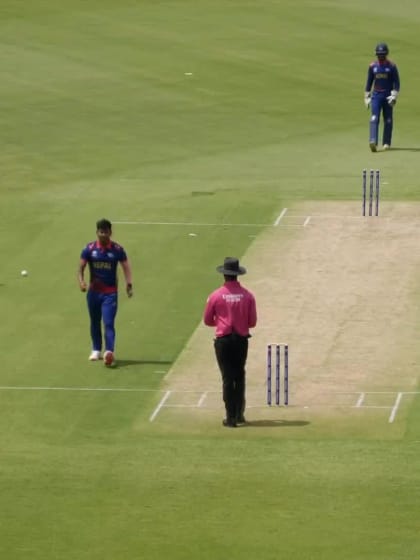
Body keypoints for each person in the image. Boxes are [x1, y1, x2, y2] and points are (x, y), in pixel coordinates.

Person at [203, 257, 257, 428]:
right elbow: (252, 322)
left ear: (224, 275)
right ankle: (240, 414)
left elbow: (207, 320)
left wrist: (220, 322)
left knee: (227, 378)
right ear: (237, 275)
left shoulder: (215, 296)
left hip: (224, 341)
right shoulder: (248, 296)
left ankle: (230, 417)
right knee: (239, 376)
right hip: (241, 340)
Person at [78, 218, 133, 367]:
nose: (103, 234)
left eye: (106, 232)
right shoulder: (89, 249)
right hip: (94, 293)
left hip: (110, 293)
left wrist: (128, 283)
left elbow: (126, 266)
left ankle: (109, 351)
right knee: (94, 321)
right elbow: (81, 267)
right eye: (100, 232)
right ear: (97, 232)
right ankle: (96, 349)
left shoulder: (117, 250)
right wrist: (81, 282)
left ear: (110, 232)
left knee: (108, 322)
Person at [364, 42, 400, 152]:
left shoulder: (392, 66)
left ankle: (386, 142)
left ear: (386, 54)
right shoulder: (372, 67)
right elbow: (369, 82)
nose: (380, 57)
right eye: (379, 55)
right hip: (376, 96)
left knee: (388, 120)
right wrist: (366, 96)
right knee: (374, 118)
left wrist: (394, 95)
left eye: (382, 55)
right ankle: (373, 141)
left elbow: (397, 83)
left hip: (388, 96)